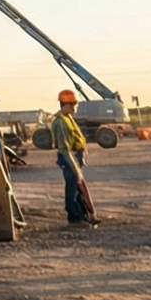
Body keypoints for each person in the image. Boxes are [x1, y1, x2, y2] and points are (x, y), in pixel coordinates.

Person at [49, 90, 97, 226]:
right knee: (72, 189)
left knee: (78, 188)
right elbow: (65, 148)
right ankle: (74, 218)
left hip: (74, 157)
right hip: (69, 158)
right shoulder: (60, 122)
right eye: (73, 105)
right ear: (66, 105)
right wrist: (75, 166)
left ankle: (82, 215)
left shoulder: (68, 118)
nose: (75, 108)